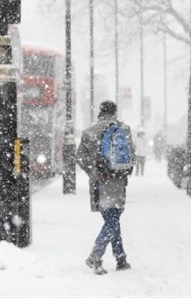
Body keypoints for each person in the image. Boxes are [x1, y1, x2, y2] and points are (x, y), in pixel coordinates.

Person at [76, 100, 135, 275]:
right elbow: (131, 155)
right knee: (113, 219)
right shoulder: (123, 129)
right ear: (115, 112)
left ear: (100, 112)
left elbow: (79, 157)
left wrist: (94, 171)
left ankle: (120, 257)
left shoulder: (88, 132)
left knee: (111, 218)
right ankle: (96, 256)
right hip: (117, 181)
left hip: (98, 182)